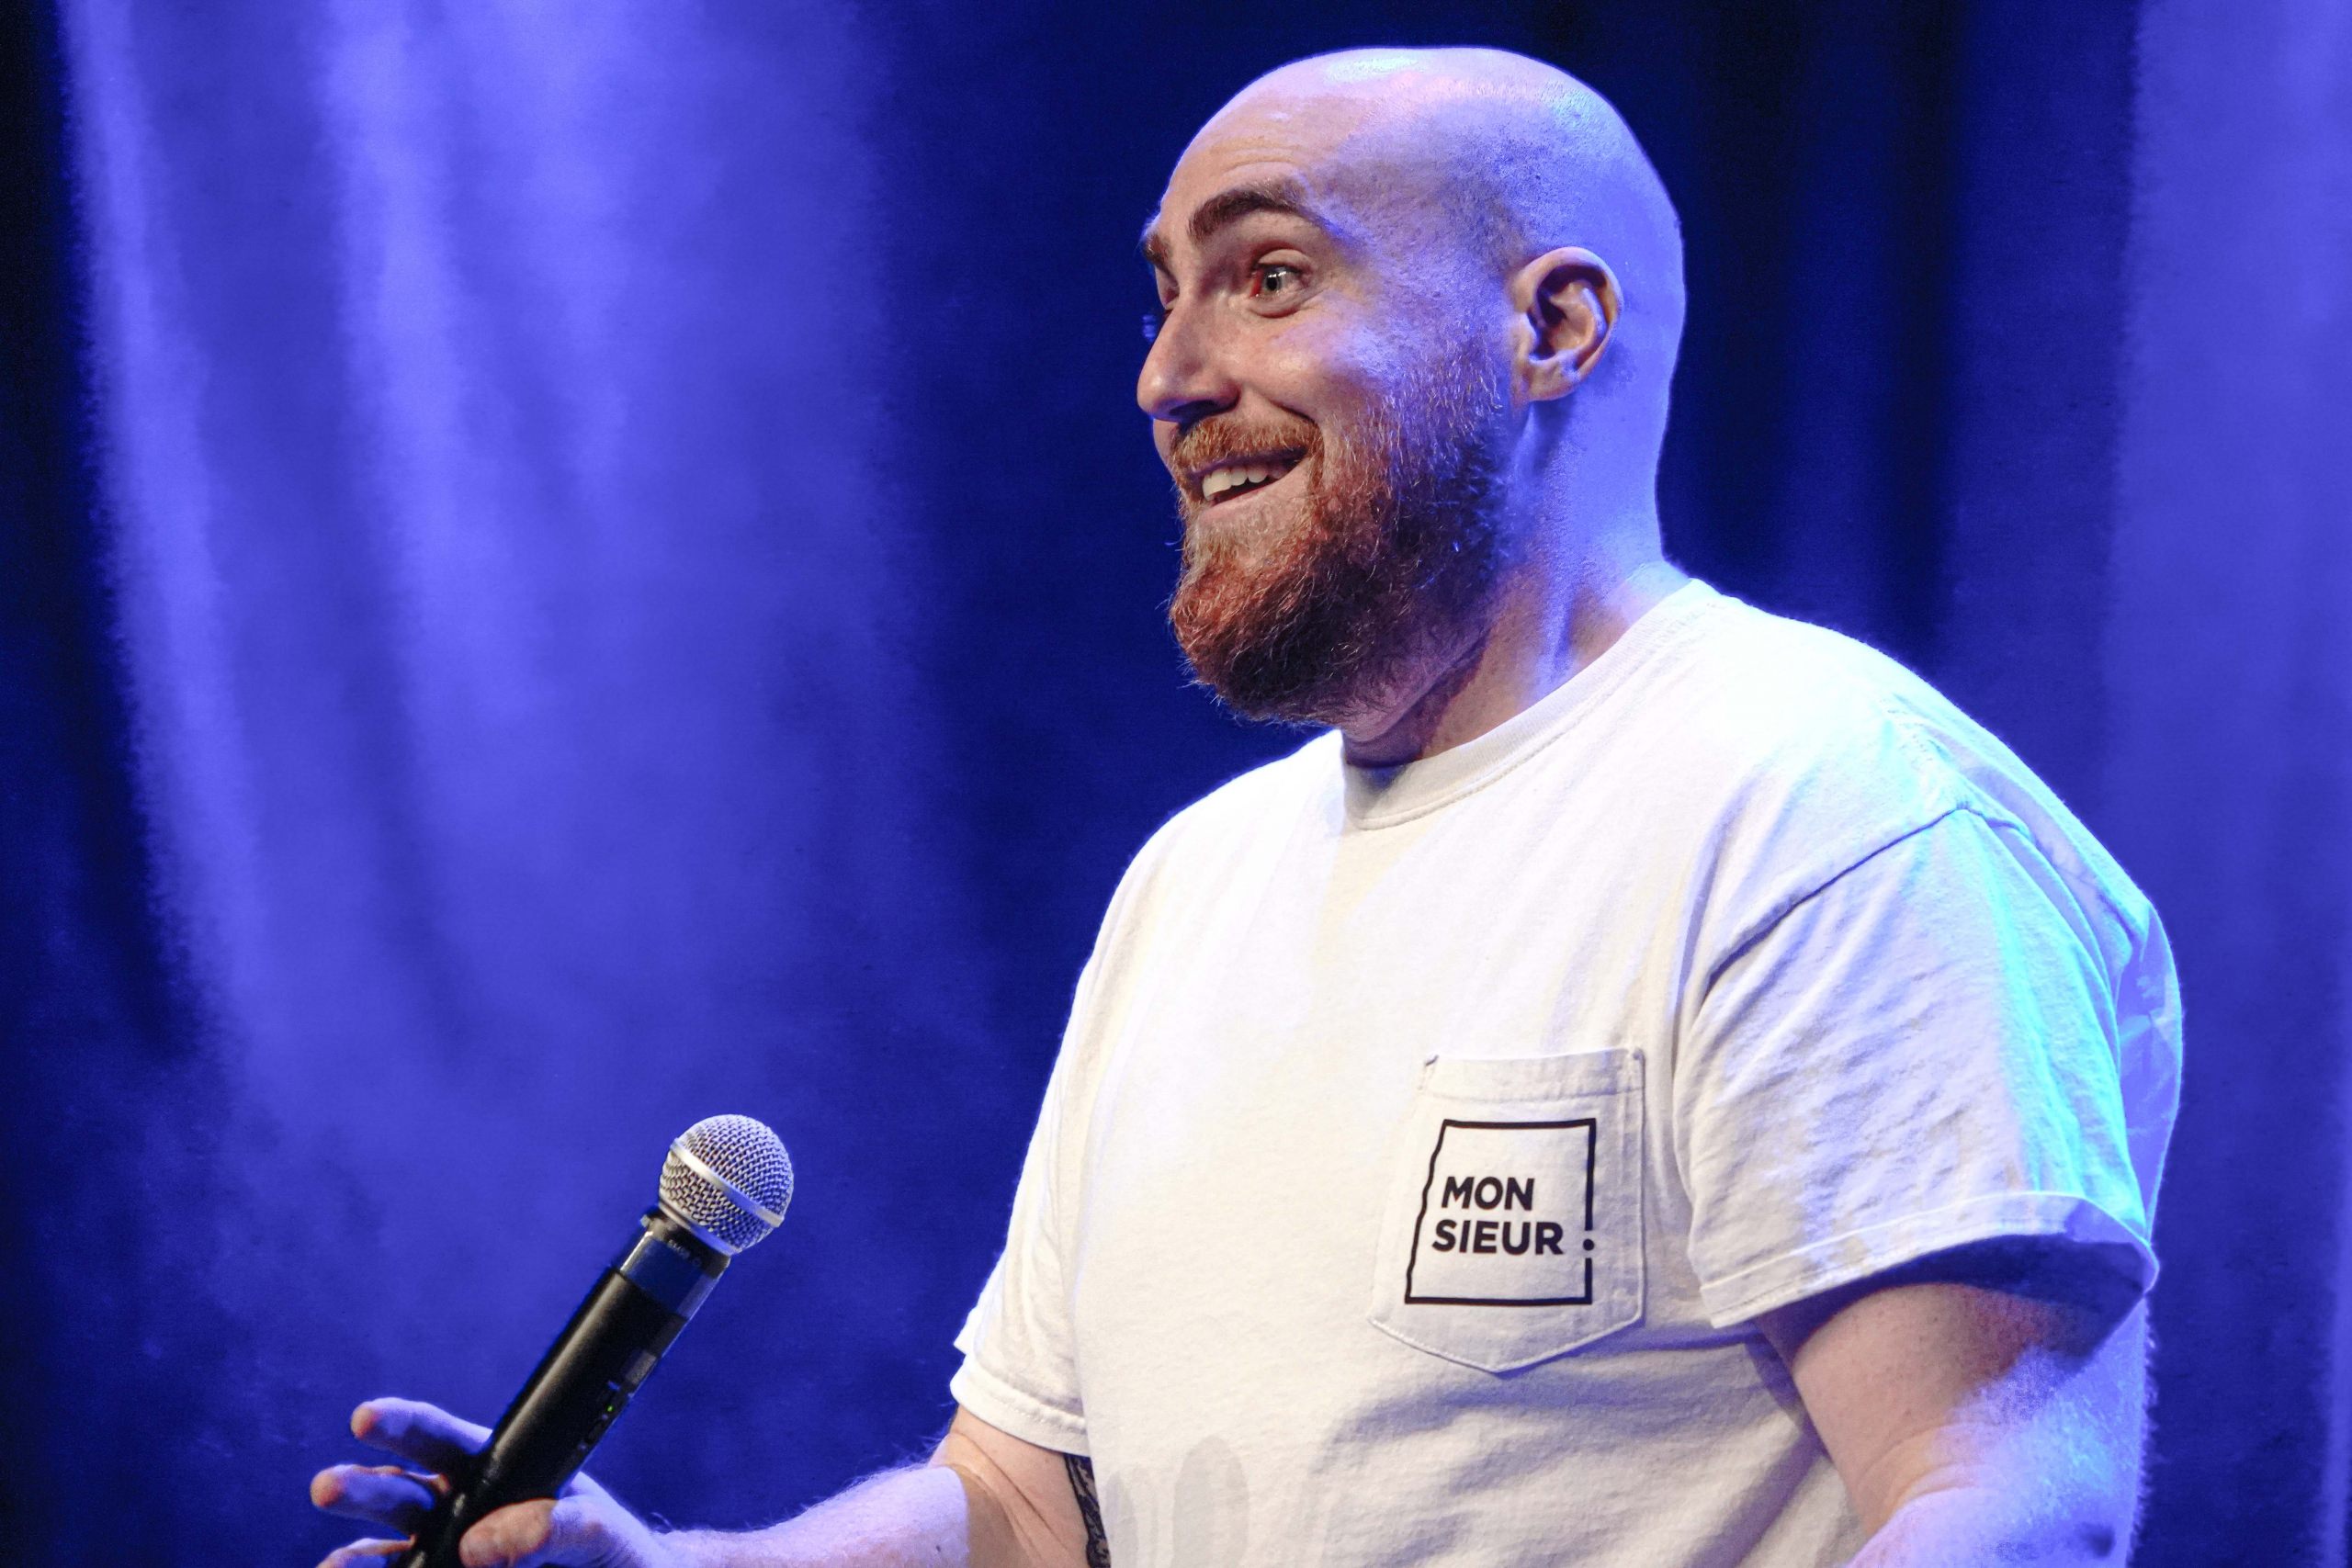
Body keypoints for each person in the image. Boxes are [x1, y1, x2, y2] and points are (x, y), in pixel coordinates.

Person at [312, 46, 2180, 1568]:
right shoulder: (1193, 882)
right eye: (1165, 297)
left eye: (1268, 277)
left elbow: (2002, 1501)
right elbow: (1026, 1504)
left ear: (1552, 326)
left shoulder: (1829, 810)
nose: (1169, 377)